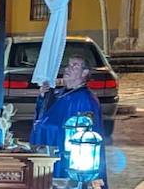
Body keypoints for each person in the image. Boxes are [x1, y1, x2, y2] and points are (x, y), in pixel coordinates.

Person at [30, 53, 104, 182]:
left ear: (84, 73)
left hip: (64, 154)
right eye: (68, 65)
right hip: (47, 147)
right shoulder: (59, 93)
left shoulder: (86, 100)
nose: (68, 69)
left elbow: (82, 133)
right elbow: (43, 117)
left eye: (74, 66)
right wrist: (43, 97)